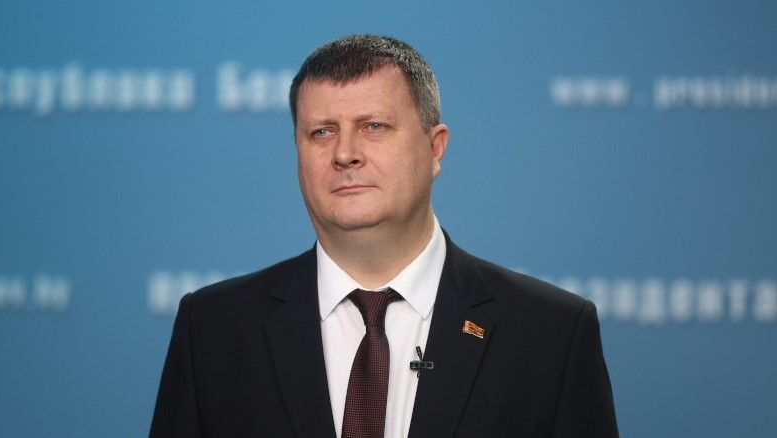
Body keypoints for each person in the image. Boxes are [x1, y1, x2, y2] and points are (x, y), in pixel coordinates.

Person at [150, 34, 618, 438]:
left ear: (435, 149)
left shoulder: (550, 333)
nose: (345, 153)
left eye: (373, 126)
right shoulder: (212, 329)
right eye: (321, 132)